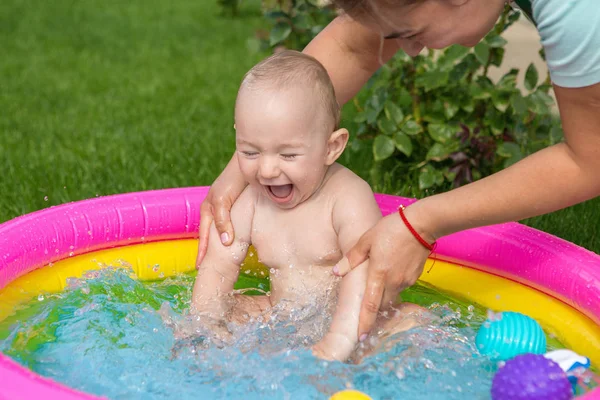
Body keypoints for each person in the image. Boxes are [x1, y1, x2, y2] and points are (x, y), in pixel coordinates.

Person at [197, 0, 600, 345]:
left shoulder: (578, 11)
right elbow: (353, 49)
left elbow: (591, 159)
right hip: (287, 315)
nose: (408, 50)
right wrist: (240, 169)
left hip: (342, 323)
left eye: (411, 31)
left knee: (408, 327)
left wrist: (420, 222)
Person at [192, 50, 427, 362]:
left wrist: (340, 338)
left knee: (414, 324)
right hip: (281, 316)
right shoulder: (251, 201)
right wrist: (204, 326)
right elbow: (218, 267)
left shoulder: (346, 197)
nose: (267, 170)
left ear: (331, 147)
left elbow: (365, 269)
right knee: (231, 308)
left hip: (354, 318)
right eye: (249, 152)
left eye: (288, 155)